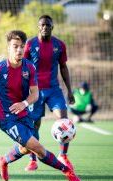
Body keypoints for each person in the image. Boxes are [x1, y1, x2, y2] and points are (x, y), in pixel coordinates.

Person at [0, 30, 80, 181]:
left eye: (21, 46)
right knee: (38, 148)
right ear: (9, 48)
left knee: (26, 148)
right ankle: (66, 170)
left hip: (24, 114)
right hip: (7, 119)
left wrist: (24, 104)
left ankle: (3, 161)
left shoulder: (29, 67)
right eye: (15, 46)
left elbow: (35, 94)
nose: (18, 50)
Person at [23, 15, 75, 171]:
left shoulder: (59, 45)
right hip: (35, 91)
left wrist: (70, 91)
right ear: (38, 27)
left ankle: (63, 156)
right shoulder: (30, 44)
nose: (45, 27)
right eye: (42, 25)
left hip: (54, 90)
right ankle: (33, 160)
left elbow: (63, 67)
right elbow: (23, 67)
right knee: (34, 125)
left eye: (48, 25)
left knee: (64, 121)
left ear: (52, 27)